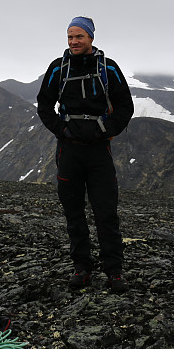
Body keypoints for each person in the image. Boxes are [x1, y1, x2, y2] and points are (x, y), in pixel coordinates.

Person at [37, 16, 135, 293]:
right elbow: (44, 104)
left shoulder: (108, 68)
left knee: (106, 213)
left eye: (79, 36)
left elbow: (125, 106)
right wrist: (61, 130)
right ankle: (82, 268)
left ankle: (114, 271)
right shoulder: (58, 68)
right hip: (68, 151)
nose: (74, 42)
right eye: (70, 37)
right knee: (73, 213)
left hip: (98, 152)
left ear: (91, 38)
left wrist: (105, 130)